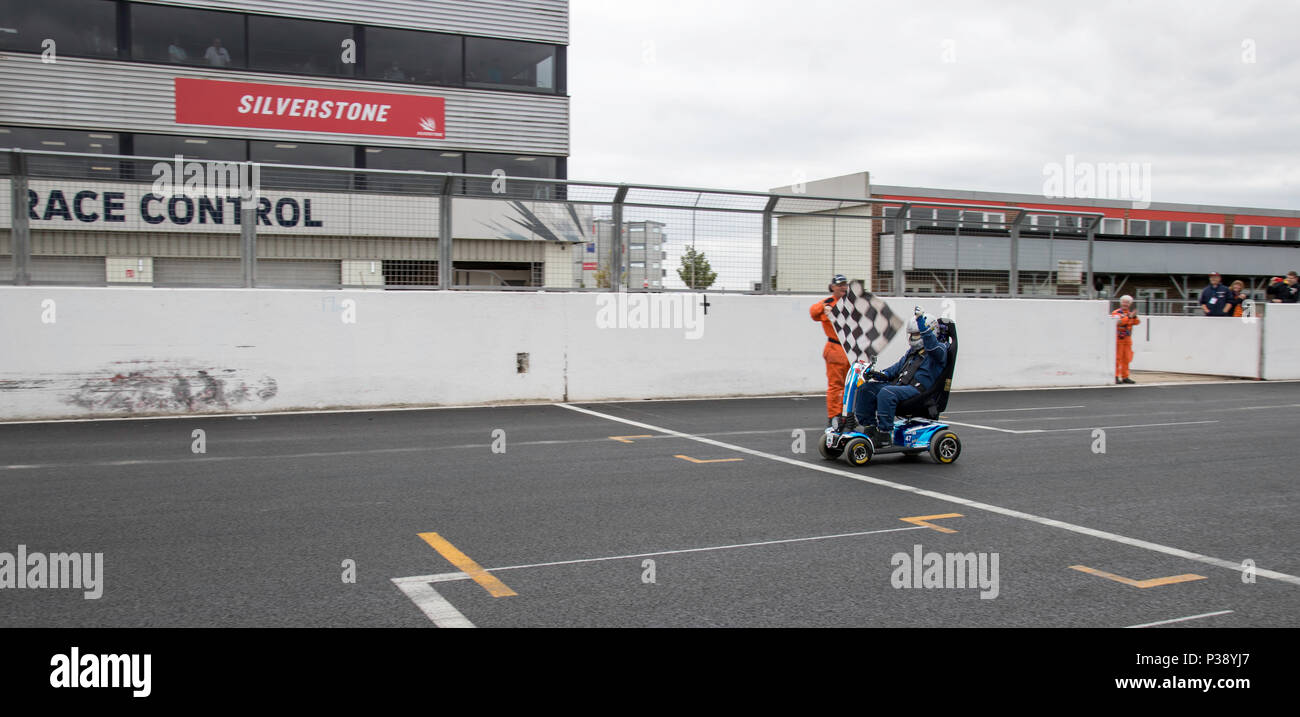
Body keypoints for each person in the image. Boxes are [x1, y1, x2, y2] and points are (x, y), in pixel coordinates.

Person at [853, 310, 948, 448]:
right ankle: (871, 428)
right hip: (901, 387)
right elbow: (895, 370)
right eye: (912, 334)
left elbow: (931, 345)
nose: (914, 337)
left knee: (887, 392)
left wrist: (921, 323)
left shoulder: (939, 351)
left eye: (917, 334)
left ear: (929, 331)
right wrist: (877, 374)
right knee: (866, 389)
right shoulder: (912, 352)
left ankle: (885, 433)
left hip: (919, 392)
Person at [811, 274, 850, 428]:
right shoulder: (827, 304)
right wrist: (824, 306)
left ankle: (848, 415)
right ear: (832, 287)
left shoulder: (852, 303)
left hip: (851, 351)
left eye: (844, 284)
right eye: (839, 285)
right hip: (835, 350)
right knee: (836, 386)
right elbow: (813, 313)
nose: (842, 287)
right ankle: (834, 417)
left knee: (852, 385)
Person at [1111, 295, 1140, 384]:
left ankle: (1125, 376)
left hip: (1127, 339)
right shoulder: (1116, 312)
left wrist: (1133, 316)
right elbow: (1119, 322)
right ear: (1120, 303)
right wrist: (1130, 317)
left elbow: (1137, 322)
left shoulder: (1130, 313)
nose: (1125, 304)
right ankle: (1115, 376)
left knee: (1127, 358)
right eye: (1124, 302)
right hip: (1118, 339)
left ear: (1130, 304)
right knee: (1117, 358)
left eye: (1127, 302)